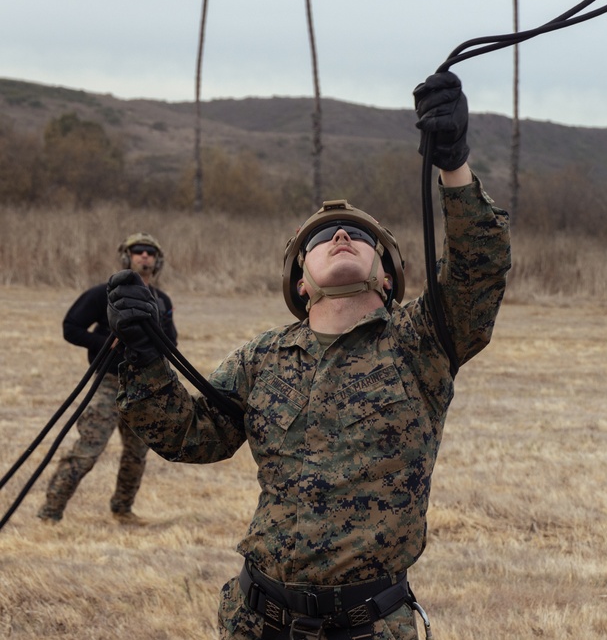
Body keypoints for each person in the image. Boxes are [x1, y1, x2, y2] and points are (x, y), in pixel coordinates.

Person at [106, 72, 511, 640]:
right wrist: (143, 356)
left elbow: (479, 268)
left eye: (358, 235)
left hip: (368, 627)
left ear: (388, 276)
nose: (341, 237)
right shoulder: (263, 357)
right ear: (301, 283)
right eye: (323, 238)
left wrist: (454, 164)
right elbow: (190, 436)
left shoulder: (422, 340)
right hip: (257, 618)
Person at [38, 232, 177, 526]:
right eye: (138, 251)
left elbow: (171, 342)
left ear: (157, 260)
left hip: (143, 388)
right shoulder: (105, 293)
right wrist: (103, 344)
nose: (144, 256)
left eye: (150, 252)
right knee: (87, 451)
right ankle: (50, 513)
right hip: (108, 384)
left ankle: (123, 510)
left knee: (137, 455)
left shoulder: (161, 301)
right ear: (127, 257)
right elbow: (71, 327)